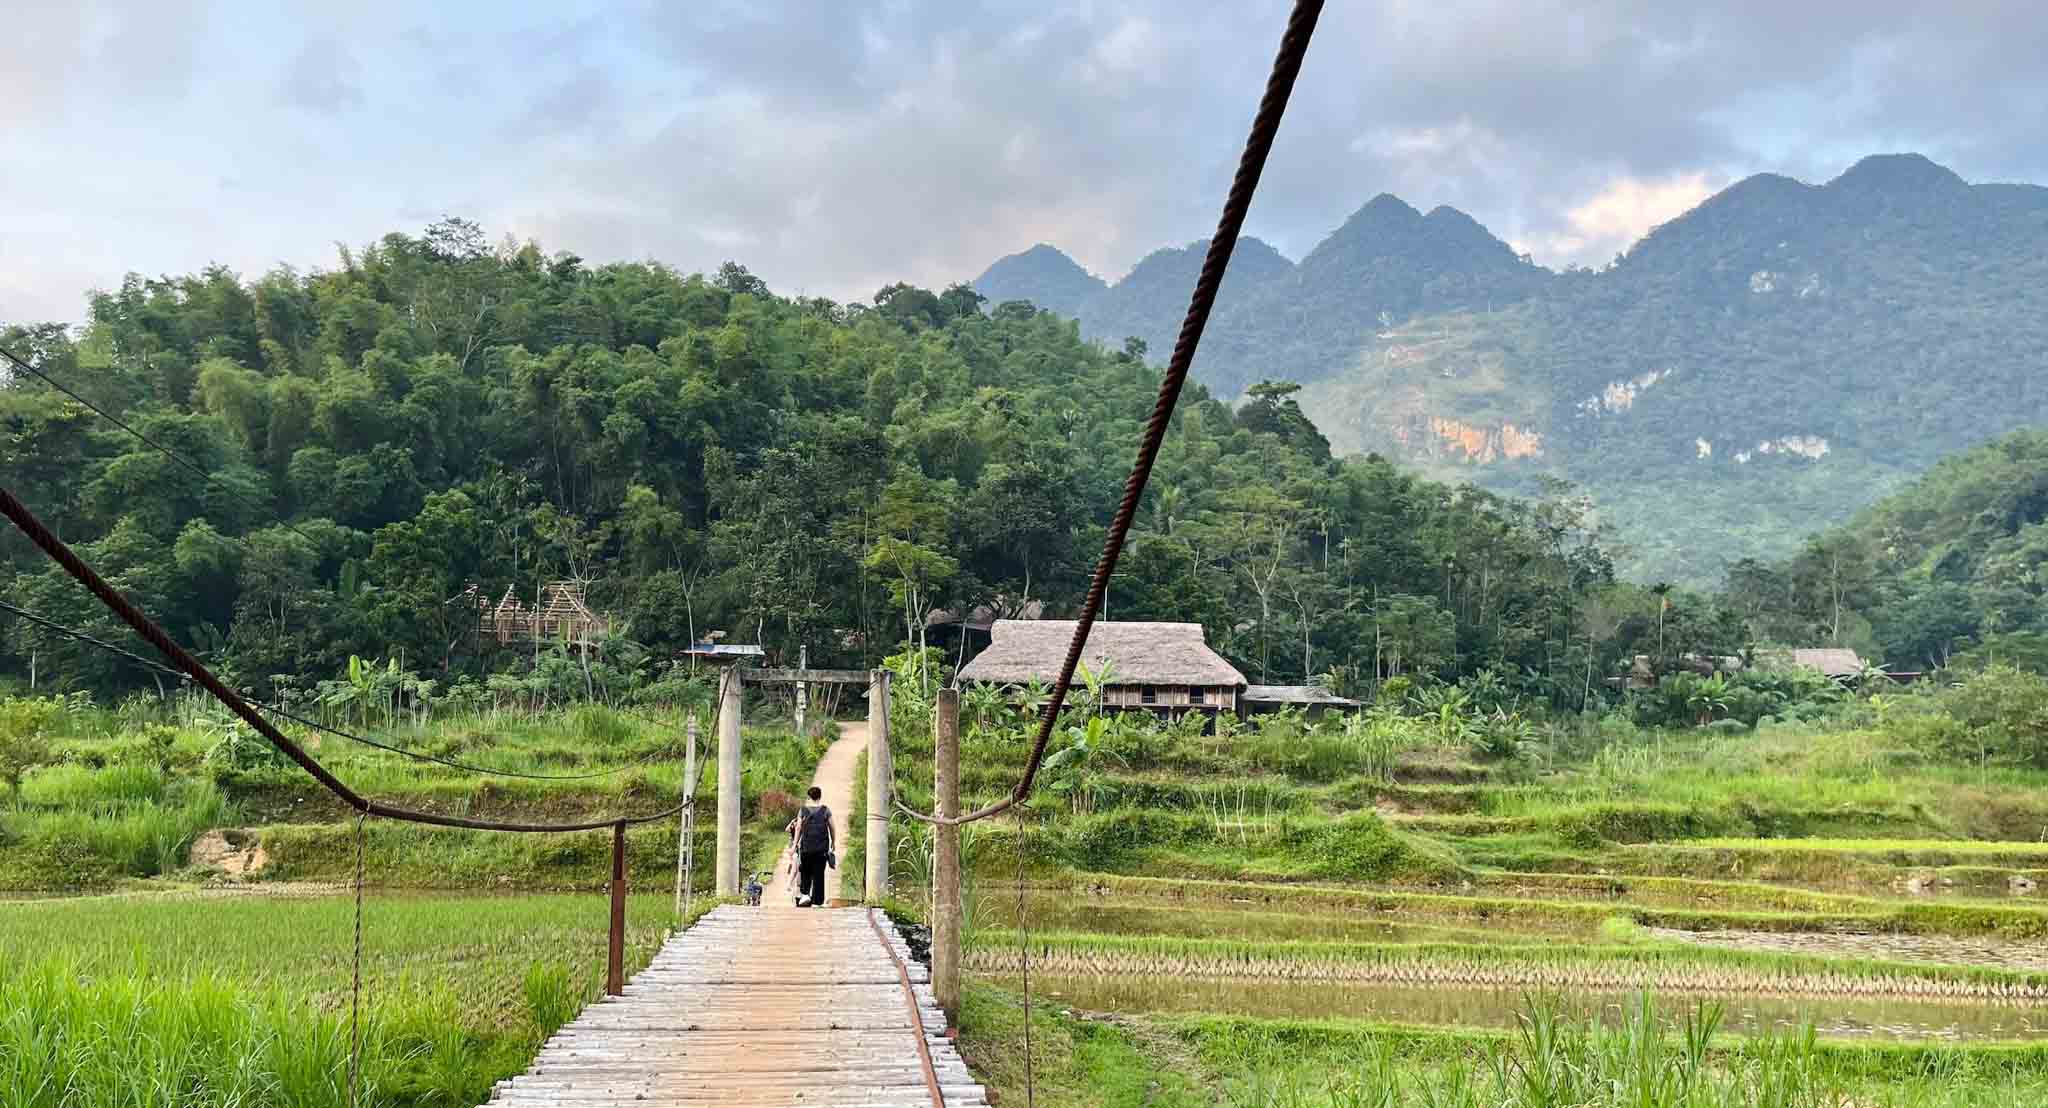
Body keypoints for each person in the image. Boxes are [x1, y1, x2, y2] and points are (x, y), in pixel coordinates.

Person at [787, 785, 834, 908]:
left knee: (805, 870)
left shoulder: (803, 810)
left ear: (809, 797)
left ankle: (805, 895)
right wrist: (833, 842)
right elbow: (832, 827)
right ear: (820, 796)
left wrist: (794, 845)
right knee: (819, 873)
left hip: (806, 847)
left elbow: (798, 828)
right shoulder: (825, 810)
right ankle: (817, 901)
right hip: (821, 848)